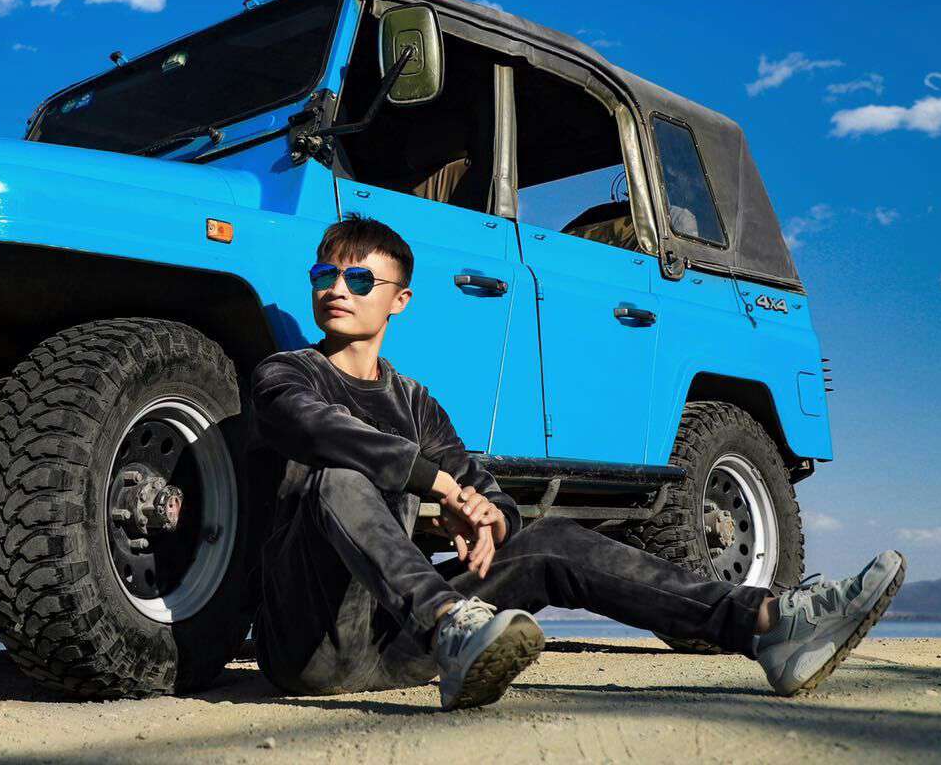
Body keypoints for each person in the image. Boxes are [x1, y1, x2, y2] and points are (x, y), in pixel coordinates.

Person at [250, 213, 905, 711]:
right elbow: (318, 429)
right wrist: (435, 484)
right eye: (324, 276)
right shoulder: (286, 374)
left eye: (359, 279)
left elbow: (484, 489)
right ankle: (451, 626)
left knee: (551, 539)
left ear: (400, 300)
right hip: (309, 647)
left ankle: (768, 625)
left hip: (399, 644)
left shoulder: (416, 402)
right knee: (340, 476)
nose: (337, 289)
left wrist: (490, 519)